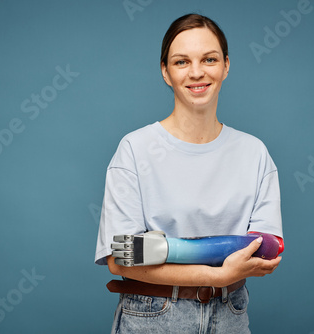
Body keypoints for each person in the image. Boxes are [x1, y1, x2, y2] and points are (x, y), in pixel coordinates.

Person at [95, 13, 283, 333]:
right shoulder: (135, 149)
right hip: (152, 318)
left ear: (226, 65)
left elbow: (267, 249)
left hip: (230, 317)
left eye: (208, 59)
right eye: (181, 62)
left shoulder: (255, 153)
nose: (197, 72)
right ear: (165, 72)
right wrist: (216, 274)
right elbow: (120, 258)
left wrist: (168, 250)